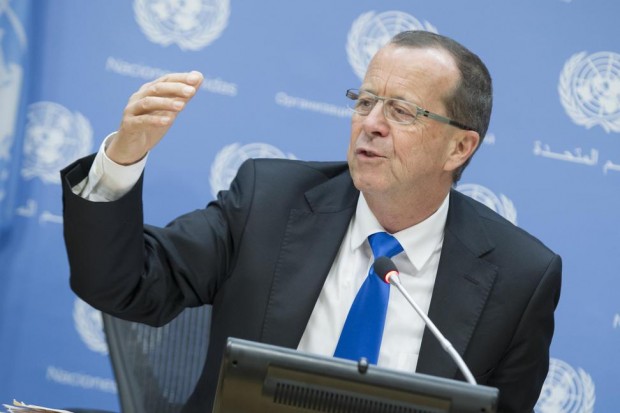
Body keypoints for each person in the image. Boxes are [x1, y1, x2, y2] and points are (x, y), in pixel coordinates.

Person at [61, 31, 561, 413]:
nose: (371, 124)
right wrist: (122, 159)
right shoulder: (268, 202)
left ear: (459, 147)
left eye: (402, 111)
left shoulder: (519, 278)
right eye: (365, 101)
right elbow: (121, 284)